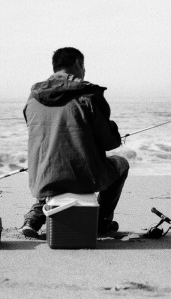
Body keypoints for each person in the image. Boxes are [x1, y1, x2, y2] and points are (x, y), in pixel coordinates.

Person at [19, 47, 129, 238]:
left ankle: (35, 218)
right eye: (83, 66)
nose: (84, 71)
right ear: (78, 64)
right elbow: (108, 143)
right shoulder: (89, 94)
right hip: (83, 178)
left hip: (41, 178)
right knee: (121, 164)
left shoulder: (33, 98)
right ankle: (101, 221)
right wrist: (113, 130)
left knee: (51, 161)